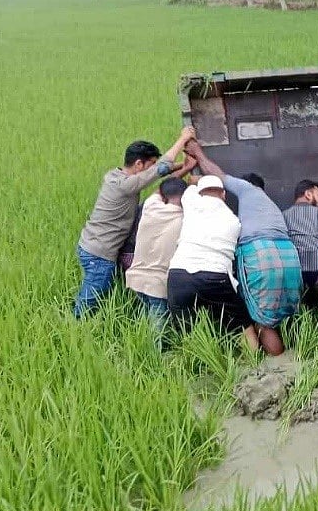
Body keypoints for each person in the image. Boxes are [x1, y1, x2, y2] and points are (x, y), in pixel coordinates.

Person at [186, 141, 302, 356]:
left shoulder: (249, 189)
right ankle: (293, 357)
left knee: (261, 320)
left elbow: (218, 175)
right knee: (283, 314)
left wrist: (197, 154)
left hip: (262, 254)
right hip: (288, 254)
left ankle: (276, 364)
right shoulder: (268, 207)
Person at [74, 127, 195, 317]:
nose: (152, 169)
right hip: (100, 253)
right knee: (91, 300)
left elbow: (160, 178)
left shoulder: (114, 176)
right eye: (150, 164)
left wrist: (185, 166)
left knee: (96, 294)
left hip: (90, 245)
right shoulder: (125, 186)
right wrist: (183, 138)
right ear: (139, 164)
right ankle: (77, 327)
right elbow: (161, 169)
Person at [166, 175, 253, 340]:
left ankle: (192, 362)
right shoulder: (234, 221)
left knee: (185, 329)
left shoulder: (191, 201)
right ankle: (254, 360)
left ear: (200, 193)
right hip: (215, 275)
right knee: (242, 324)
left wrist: (194, 179)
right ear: (224, 195)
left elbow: (190, 186)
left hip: (179, 274)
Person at [125, 177, 188, 330]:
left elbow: (157, 192)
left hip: (135, 278)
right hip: (158, 284)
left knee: (143, 322)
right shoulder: (186, 219)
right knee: (156, 331)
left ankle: (137, 350)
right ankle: (152, 354)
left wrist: (182, 169)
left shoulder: (150, 206)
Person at [283, 179, 318, 307]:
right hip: (317, 263)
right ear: (308, 194)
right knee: (317, 304)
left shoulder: (284, 215)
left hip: (293, 263)